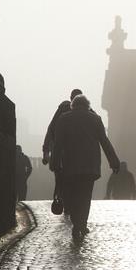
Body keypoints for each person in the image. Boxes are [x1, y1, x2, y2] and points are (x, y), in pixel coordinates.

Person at [52, 95, 120, 239]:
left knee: (72, 195)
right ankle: (81, 224)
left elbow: (57, 144)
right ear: (87, 105)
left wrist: (55, 163)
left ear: (73, 105)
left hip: (70, 165)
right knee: (85, 196)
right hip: (90, 166)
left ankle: (77, 222)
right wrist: (114, 162)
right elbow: (104, 142)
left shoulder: (64, 119)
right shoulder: (95, 119)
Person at [42, 89, 83, 208]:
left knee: (62, 179)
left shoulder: (85, 113)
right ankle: (64, 201)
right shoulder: (64, 111)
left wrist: (46, 151)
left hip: (64, 154)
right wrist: (46, 151)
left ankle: (63, 200)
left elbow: (50, 130)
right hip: (65, 154)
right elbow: (51, 131)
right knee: (65, 179)